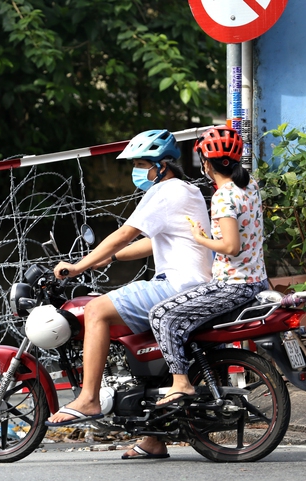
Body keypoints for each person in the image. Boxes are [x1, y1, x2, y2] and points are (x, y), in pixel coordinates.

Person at [46, 130, 213, 443]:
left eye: (140, 164)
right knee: (141, 340)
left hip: (177, 284)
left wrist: (79, 266)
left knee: (96, 309)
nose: (137, 171)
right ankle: (154, 439)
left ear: (161, 166)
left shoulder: (163, 192)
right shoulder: (187, 191)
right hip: (194, 283)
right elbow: (154, 241)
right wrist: (107, 258)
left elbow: (125, 233)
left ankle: (89, 398)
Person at [128, 126, 269, 459]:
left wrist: (200, 238)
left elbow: (231, 246)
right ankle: (156, 433)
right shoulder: (251, 189)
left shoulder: (224, 196)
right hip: (254, 281)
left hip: (234, 286)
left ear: (206, 162)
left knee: (161, 314)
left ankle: (181, 383)